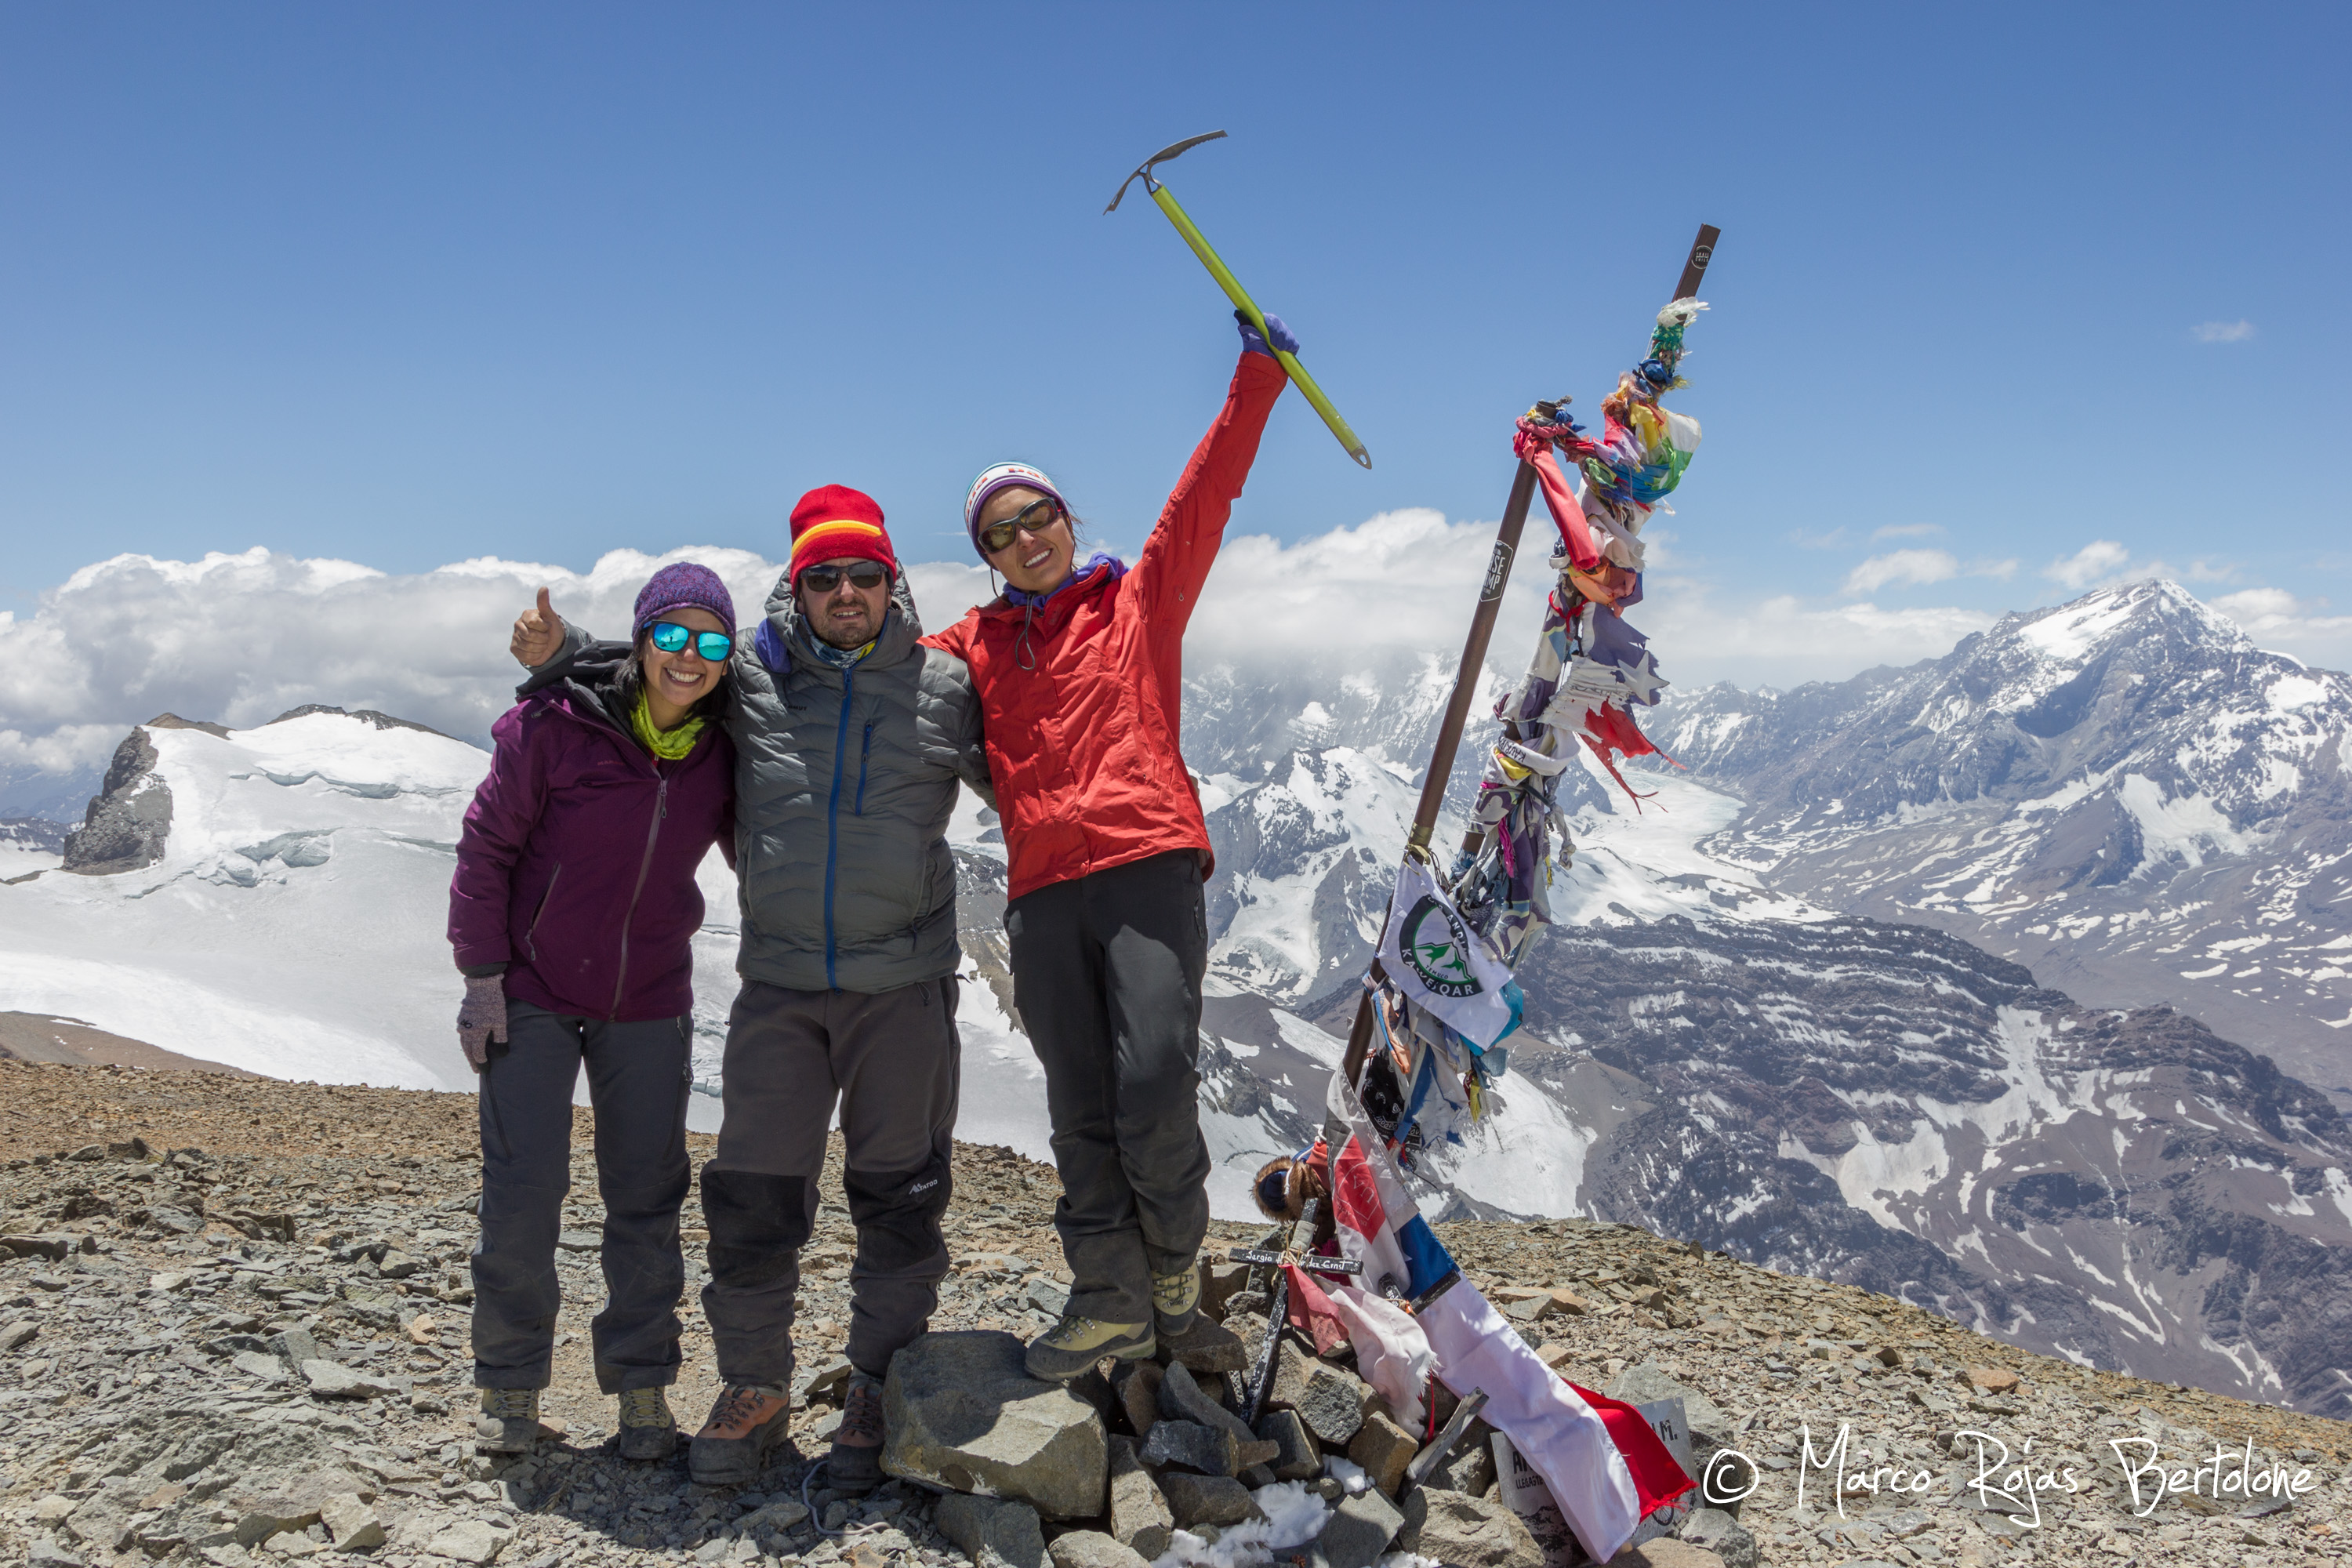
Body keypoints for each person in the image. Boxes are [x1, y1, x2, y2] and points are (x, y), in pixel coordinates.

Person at [510, 487, 990, 1490]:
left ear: (891, 582)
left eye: (864, 574)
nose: (846, 591)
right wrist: (561, 656)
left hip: (901, 984)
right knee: (753, 1192)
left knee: (899, 1193)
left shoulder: (947, 686)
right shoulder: (755, 682)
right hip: (779, 982)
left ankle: (876, 1380)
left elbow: (1037, 773)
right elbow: (666, 666)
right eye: (826, 576)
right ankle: (755, 1384)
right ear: (798, 587)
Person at [927, 310, 1297, 1379]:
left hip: (1145, 866)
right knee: (1078, 1105)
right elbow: (879, 647)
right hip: (1043, 892)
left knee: (1151, 1085)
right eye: (998, 533)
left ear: (1064, 516)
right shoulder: (972, 646)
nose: (1022, 540)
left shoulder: (1133, 604)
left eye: (1034, 516)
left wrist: (1256, 380)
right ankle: (1109, 1299)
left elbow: (1205, 499)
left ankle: (1173, 1272)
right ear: (986, 556)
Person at [449, 561, 739, 1459]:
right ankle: (509, 1386)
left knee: (647, 1194)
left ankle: (644, 1385)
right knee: (525, 1191)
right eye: (673, 635)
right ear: (644, 638)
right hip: (533, 990)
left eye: (711, 641)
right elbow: (488, 842)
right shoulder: (556, 724)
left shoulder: (725, 745)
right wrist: (482, 974)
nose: (690, 657)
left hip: (649, 997)